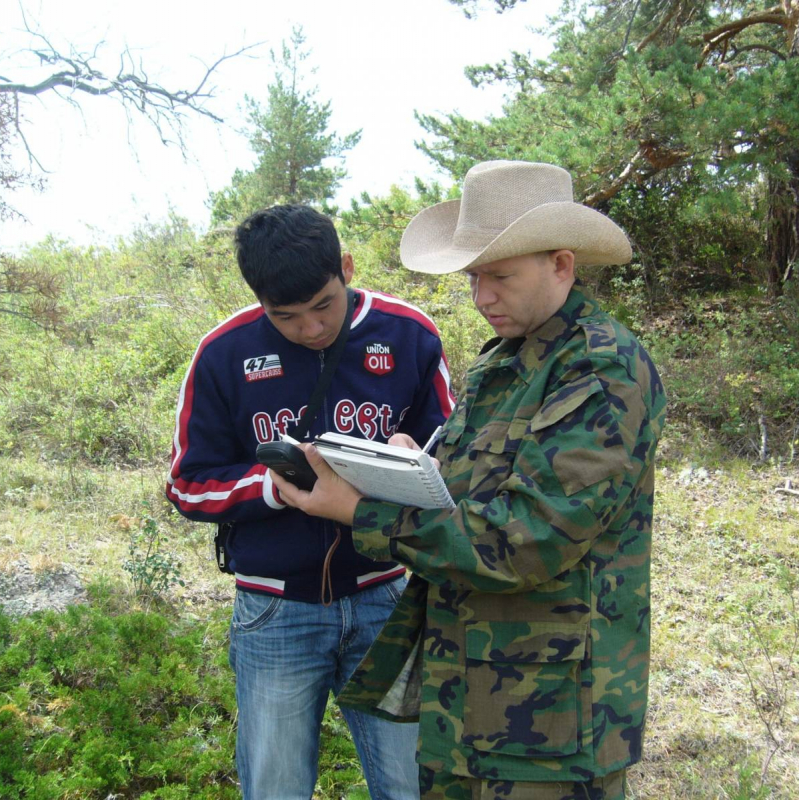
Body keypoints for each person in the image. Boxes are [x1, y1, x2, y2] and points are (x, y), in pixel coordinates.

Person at [271, 161, 667, 800]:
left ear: (562, 265)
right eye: (475, 277)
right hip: (470, 700)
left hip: (546, 728)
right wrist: (409, 467)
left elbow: (527, 540)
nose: (482, 297)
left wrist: (362, 512)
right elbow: (475, 491)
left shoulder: (598, 370)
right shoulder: (506, 361)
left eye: (501, 276)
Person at [165, 204, 455, 800]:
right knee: (275, 785)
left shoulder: (409, 335)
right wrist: (274, 488)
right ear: (258, 300)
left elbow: (456, 459)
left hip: (387, 595)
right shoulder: (224, 353)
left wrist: (414, 462)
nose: (311, 329)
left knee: (413, 782)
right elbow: (187, 483)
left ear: (346, 268)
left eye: (324, 305)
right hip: (275, 610)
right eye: (286, 316)